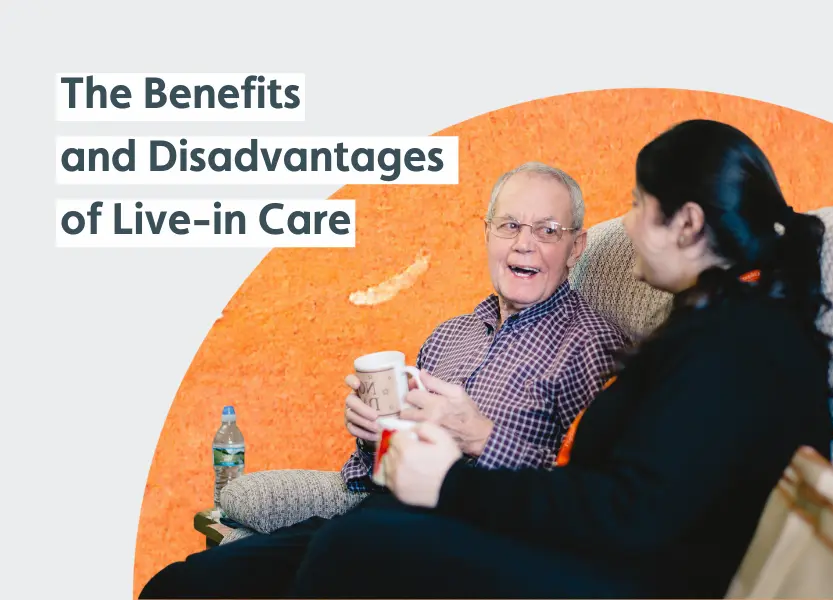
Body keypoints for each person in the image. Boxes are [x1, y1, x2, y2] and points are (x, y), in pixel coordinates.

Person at [284, 119, 833, 599]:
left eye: (638, 205)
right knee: (275, 558)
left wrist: (452, 482)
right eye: (509, 226)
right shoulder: (719, 328)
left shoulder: (736, 344)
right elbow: (629, 494)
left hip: (632, 582)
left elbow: (628, 514)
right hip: (602, 561)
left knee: (351, 546)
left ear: (687, 224)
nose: (624, 225)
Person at [140, 162, 628, 599]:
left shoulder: (592, 348)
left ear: (575, 246)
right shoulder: (450, 336)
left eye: (547, 230)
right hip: (376, 519)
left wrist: (481, 438)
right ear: (487, 235)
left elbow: (590, 504)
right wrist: (373, 436)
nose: (524, 243)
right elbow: (387, 470)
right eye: (510, 226)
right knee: (180, 585)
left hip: (469, 544)